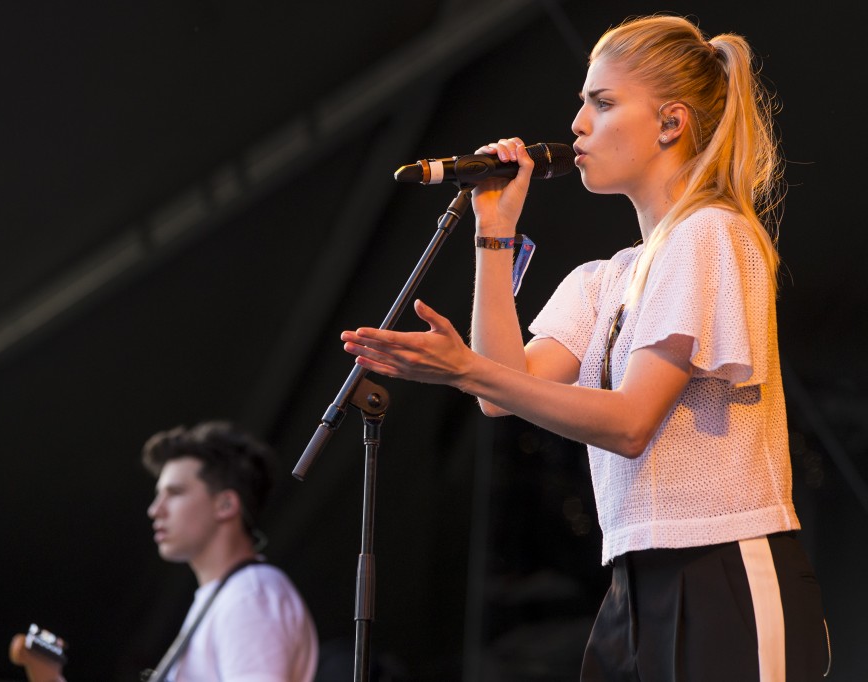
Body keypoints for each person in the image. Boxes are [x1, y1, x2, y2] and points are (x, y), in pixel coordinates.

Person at [340, 14, 829, 681]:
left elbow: (630, 423)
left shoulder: (710, 235)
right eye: (580, 104)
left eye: (601, 103)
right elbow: (503, 392)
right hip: (632, 580)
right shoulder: (607, 278)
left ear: (671, 122)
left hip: (720, 566)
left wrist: (465, 369)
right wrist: (495, 233)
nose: (576, 124)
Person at [10, 420, 319, 682]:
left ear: (225, 504)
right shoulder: (231, 594)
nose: (155, 510)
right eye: (159, 495)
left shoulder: (249, 596)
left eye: (175, 493)